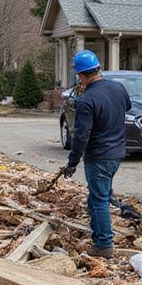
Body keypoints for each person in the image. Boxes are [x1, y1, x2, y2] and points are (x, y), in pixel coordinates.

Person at [59, 50, 131, 257]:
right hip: (117, 153)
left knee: (99, 199)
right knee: (98, 196)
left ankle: (103, 244)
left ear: (81, 76)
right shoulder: (118, 88)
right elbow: (127, 106)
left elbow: (81, 136)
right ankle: (100, 234)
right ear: (98, 68)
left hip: (98, 156)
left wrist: (72, 162)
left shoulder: (86, 99)